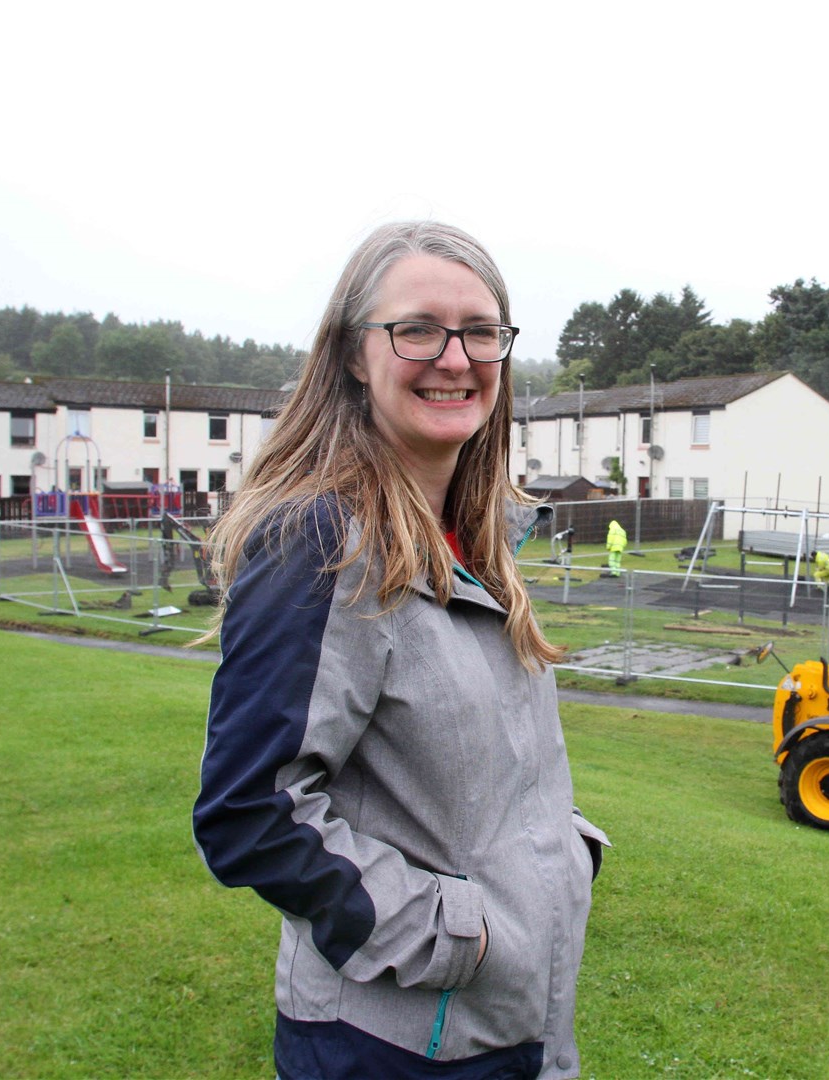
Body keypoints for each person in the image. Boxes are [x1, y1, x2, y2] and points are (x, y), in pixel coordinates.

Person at [192, 222, 608, 1080]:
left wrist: (559, 859)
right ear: (353, 353)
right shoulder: (320, 541)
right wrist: (461, 934)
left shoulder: (476, 537)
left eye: (481, 330)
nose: (455, 357)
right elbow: (251, 814)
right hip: (398, 1049)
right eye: (417, 328)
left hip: (511, 1025)